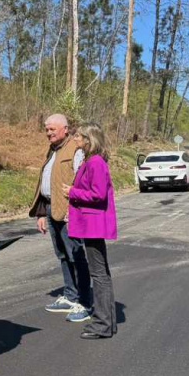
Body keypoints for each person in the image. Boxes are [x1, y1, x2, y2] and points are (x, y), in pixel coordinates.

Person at [28, 114, 92, 323]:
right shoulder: (53, 149)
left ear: (65, 129)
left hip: (67, 212)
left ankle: (85, 301)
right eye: (46, 130)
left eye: (52, 129)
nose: (48, 133)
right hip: (50, 208)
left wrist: (75, 210)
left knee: (76, 255)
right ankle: (71, 295)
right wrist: (40, 212)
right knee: (63, 255)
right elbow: (46, 183)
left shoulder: (76, 148)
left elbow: (83, 180)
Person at [61, 124, 118, 339]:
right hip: (90, 224)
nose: (75, 139)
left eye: (78, 136)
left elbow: (98, 194)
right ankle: (106, 322)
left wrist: (72, 192)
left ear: (88, 139)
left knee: (99, 274)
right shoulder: (91, 161)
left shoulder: (95, 162)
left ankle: (102, 323)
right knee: (101, 273)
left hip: (93, 226)